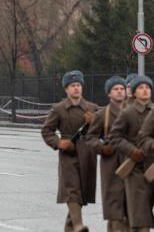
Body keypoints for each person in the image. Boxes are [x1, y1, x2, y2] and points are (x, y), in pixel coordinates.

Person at [41, 70, 98, 232]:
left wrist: (94, 122)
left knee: (81, 194)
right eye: (72, 86)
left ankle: (71, 228)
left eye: (78, 85)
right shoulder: (58, 109)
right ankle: (79, 225)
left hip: (88, 154)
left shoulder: (92, 108)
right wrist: (59, 142)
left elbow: (104, 132)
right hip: (68, 154)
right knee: (72, 190)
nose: (76, 88)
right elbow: (46, 131)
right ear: (66, 89)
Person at [109, 75, 154, 231]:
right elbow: (114, 137)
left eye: (148, 87)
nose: (145, 90)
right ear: (134, 92)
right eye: (141, 88)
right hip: (135, 168)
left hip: (152, 166)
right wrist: (131, 151)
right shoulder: (127, 113)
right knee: (140, 216)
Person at [86, 76, 128, 231]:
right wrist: (102, 148)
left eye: (122, 89)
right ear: (109, 93)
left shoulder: (132, 112)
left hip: (131, 163)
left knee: (129, 206)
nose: (119, 92)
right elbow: (90, 138)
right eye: (115, 89)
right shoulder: (102, 114)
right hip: (111, 165)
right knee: (115, 204)